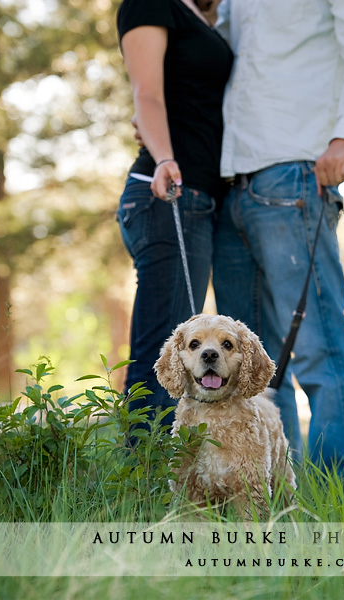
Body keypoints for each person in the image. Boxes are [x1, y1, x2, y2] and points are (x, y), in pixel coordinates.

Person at [211, 0, 344, 475]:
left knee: (321, 352)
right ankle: (271, 501)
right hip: (228, 185)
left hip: (294, 175)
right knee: (249, 367)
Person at [116, 0, 232, 432]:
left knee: (171, 351)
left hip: (197, 199)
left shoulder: (201, 13)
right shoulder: (150, 2)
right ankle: (144, 488)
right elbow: (147, 93)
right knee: (161, 356)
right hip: (167, 194)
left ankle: (161, 481)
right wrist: (164, 157)